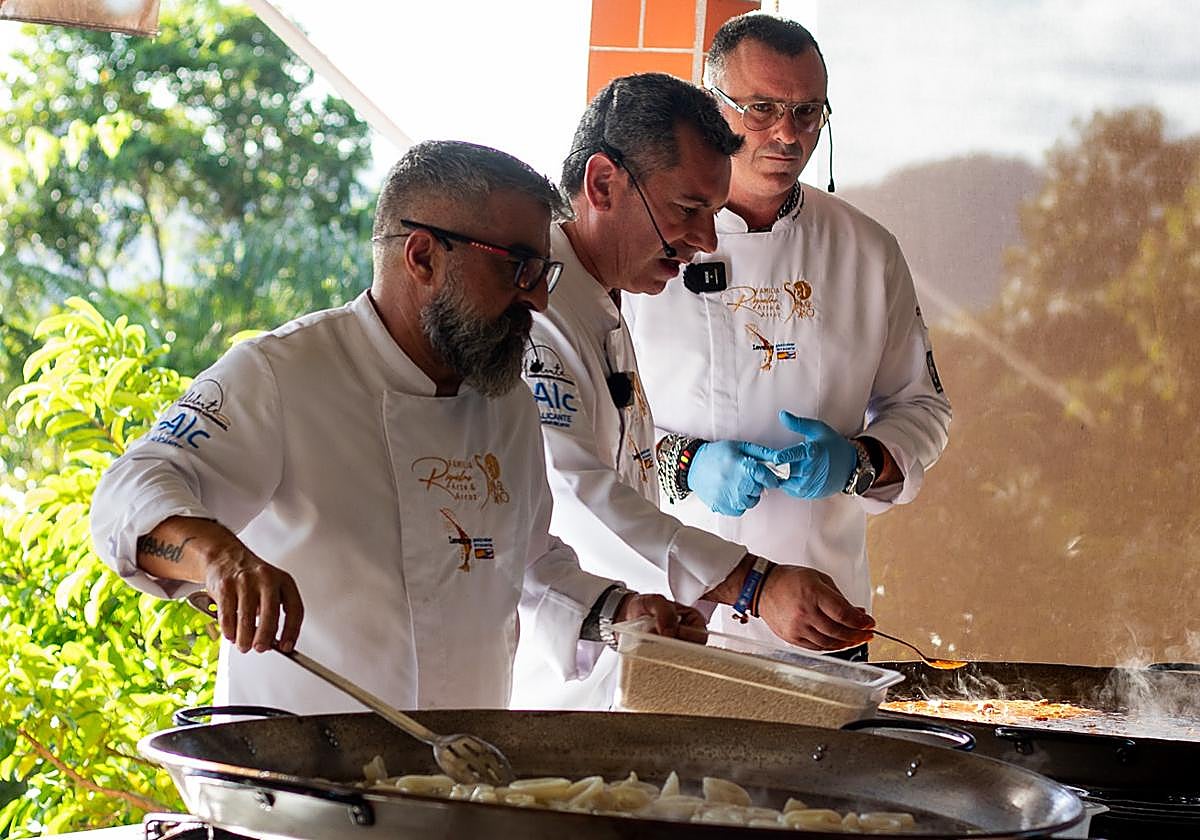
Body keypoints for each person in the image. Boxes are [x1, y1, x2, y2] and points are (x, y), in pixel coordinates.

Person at [90, 140, 704, 714]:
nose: (538, 300)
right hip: (304, 791)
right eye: (517, 269)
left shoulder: (507, 400)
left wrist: (617, 611)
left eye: (542, 273)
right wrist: (218, 557)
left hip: (457, 778)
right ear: (423, 256)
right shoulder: (284, 374)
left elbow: (524, 564)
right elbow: (130, 490)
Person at [510, 73, 874, 710]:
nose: (706, 241)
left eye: (714, 212)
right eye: (688, 211)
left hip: (638, 646)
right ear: (602, 185)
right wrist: (752, 585)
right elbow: (574, 491)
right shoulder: (541, 312)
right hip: (559, 679)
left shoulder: (604, 302)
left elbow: (631, 470)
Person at [625, 13, 953, 661]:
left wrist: (858, 460)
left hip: (821, 614)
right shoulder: (646, 243)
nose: (786, 133)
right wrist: (687, 464)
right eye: (762, 108)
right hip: (669, 608)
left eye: (807, 111)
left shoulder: (866, 250)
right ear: (712, 108)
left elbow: (924, 408)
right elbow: (593, 431)